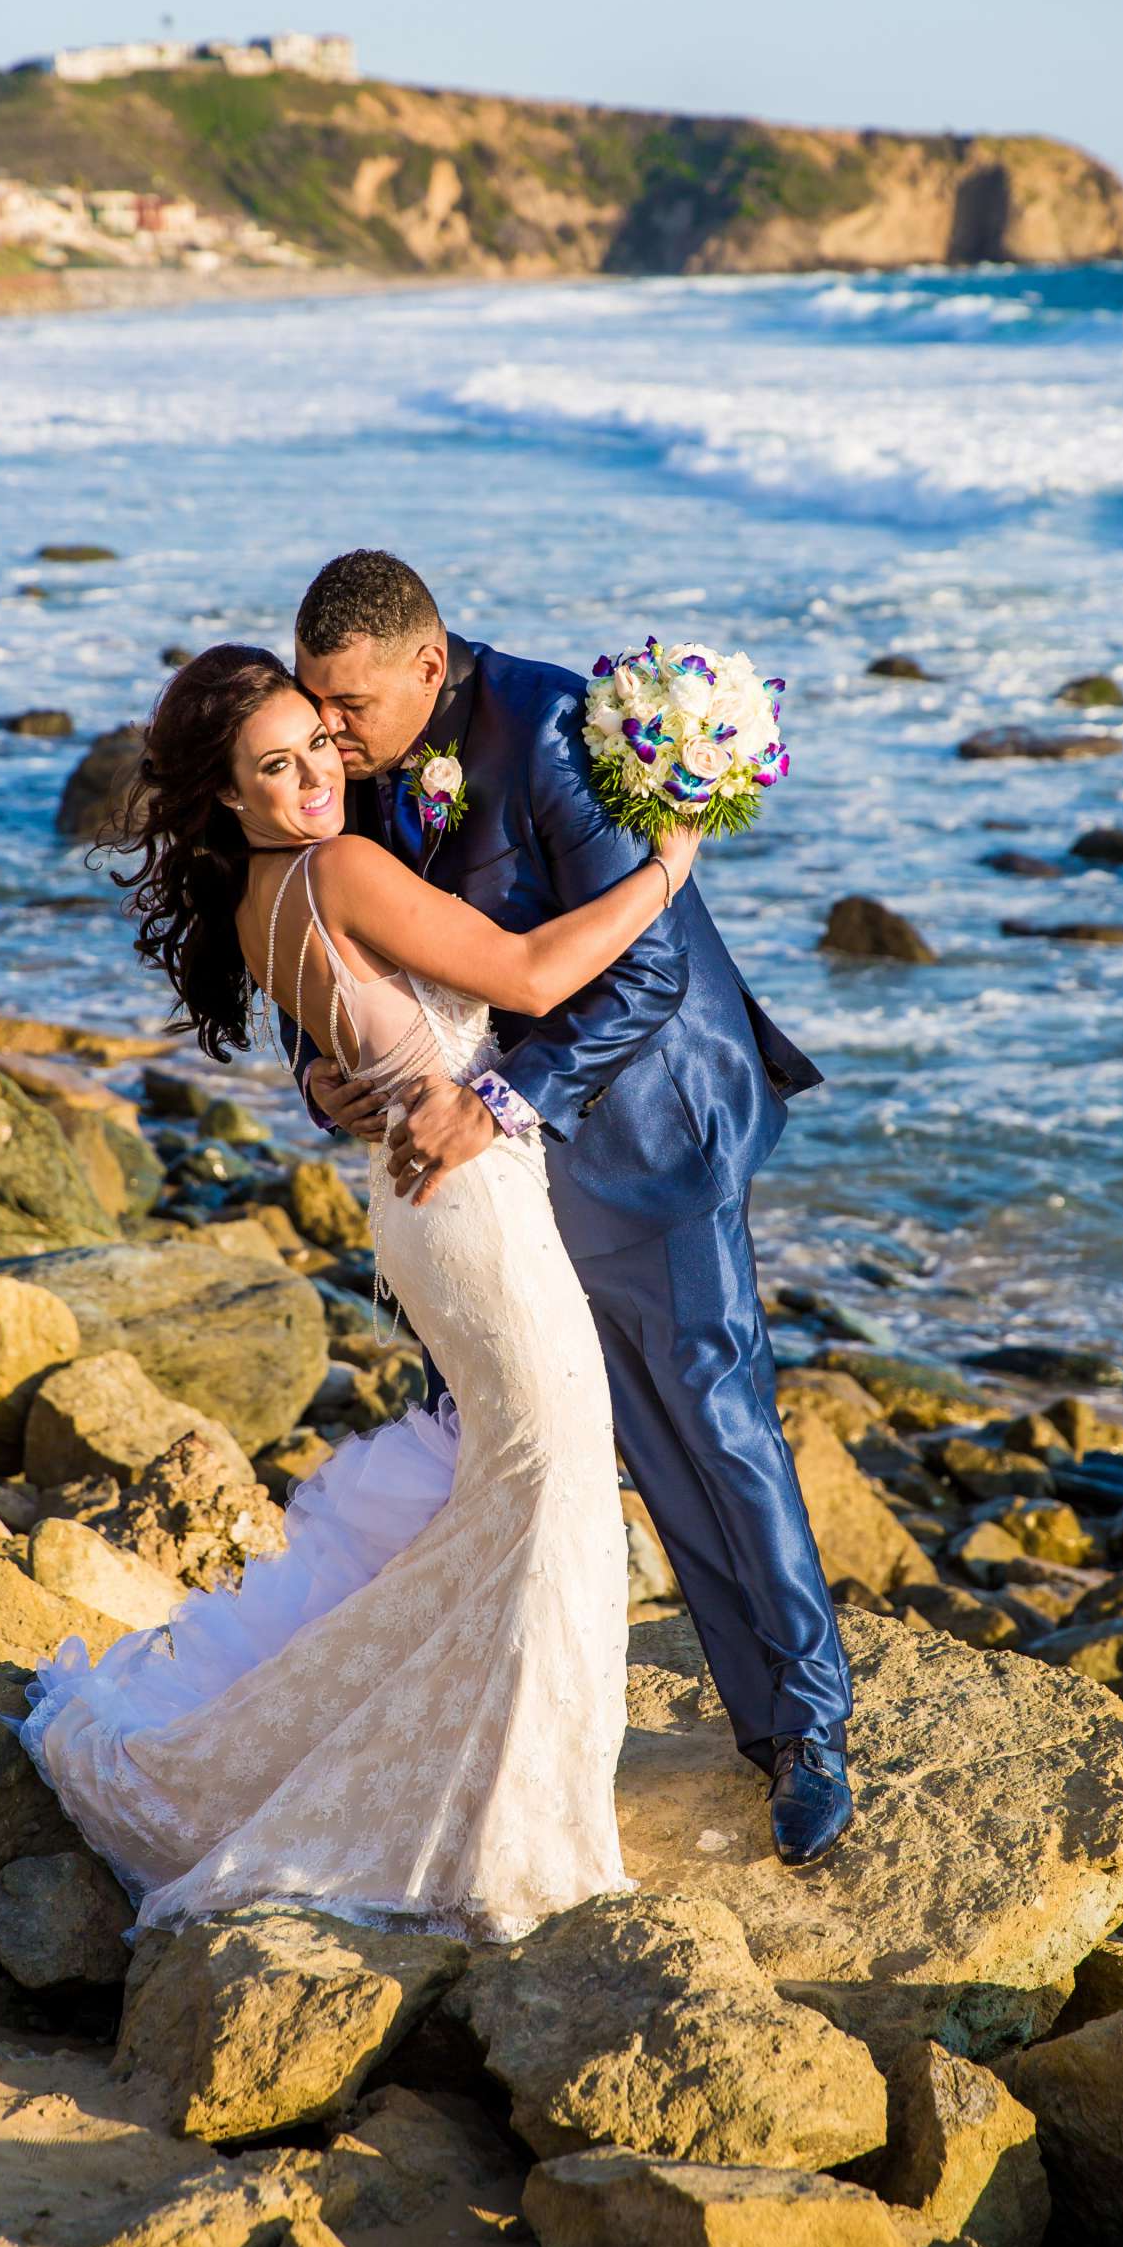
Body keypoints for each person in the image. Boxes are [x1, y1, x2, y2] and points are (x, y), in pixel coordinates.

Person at [17, 643, 704, 1940]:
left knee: (519, 1495)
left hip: (424, 1200)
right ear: (225, 795)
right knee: (551, 1493)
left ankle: (495, 1794)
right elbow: (537, 979)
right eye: (273, 769)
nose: (315, 780)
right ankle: (514, 1835)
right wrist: (667, 867)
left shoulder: (263, 898)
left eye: (320, 749)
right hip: (473, 1212)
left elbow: (367, 1050)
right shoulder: (337, 867)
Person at [288, 552, 852, 1870]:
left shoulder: (546, 728)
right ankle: (602, 1724)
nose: (332, 729)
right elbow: (319, 948)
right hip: (487, 1176)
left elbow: (646, 965)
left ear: (430, 666)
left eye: (351, 703)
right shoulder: (345, 771)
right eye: (318, 702)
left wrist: (501, 1100)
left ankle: (808, 1733)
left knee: (713, 1425)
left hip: (647, 1125)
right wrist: (325, 1075)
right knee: (564, 1442)